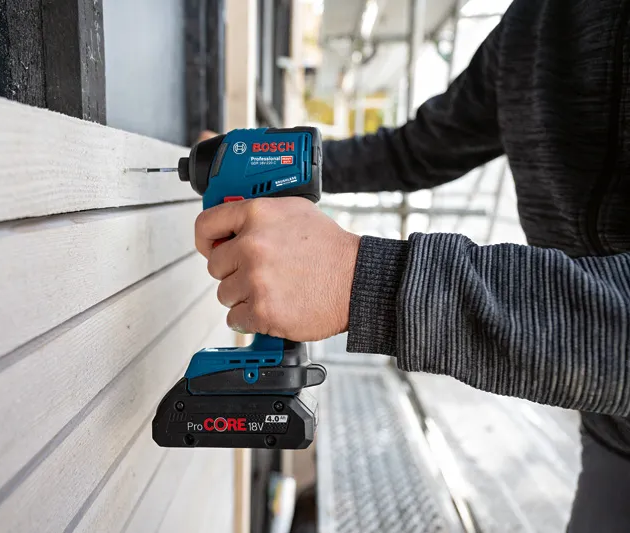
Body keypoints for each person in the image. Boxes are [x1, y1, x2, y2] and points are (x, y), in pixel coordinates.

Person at [196, 0, 630, 530]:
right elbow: (415, 151)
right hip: (611, 433)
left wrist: (363, 280)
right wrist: (277, 164)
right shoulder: (534, 22)